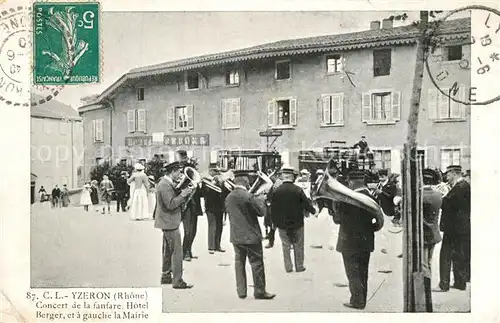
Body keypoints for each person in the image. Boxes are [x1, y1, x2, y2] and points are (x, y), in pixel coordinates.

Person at [334, 170, 381, 310]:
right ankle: (362, 299)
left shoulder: (346, 199)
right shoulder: (370, 197)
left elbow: (337, 220)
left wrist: (335, 206)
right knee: (363, 271)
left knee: (352, 271)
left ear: (351, 182)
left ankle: (356, 300)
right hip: (366, 240)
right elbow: (378, 220)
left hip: (348, 240)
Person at [225, 171, 276, 300]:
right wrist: (261, 198)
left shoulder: (229, 197)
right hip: (251, 236)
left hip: (236, 236)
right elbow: (261, 212)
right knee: (256, 263)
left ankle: (241, 291)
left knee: (239, 263)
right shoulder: (249, 196)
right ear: (245, 180)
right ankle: (259, 291)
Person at [154, 161, 194, 289]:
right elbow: (170, 204)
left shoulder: (166, 183)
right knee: (177, 252)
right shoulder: (165, 185)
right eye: (179, 172)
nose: (180, 175)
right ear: (173, 171)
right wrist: (183, 195)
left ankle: (166, 276)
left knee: (167, 250)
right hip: (169, 222)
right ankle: (178, 281)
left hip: (167, 221)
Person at [271, 167, 316, 273]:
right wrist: (313, 211)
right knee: (298, 244)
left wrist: (274, 222)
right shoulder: (298, 190)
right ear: (292, 177)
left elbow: (273, 208)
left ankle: (288, 267)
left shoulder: (277, 190)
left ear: (283, 176)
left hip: (282, 223)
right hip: (297, 222)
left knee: (285, 245)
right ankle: (299, 266)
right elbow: (306, 203)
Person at [435, 165, 471, 292]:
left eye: (448, 175)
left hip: (454, 227)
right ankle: (460, 282)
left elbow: (447, 205)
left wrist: (443, 195)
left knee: (445, 255)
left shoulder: (461, 187)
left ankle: (444, 283)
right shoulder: (463, 186)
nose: (446, 177)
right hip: (460, 227)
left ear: (454, 174)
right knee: (459, 255)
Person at [421, 168, 443, 312]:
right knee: (428, 263)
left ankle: (425, 295)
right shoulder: (438, 195)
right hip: (433, 234)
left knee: (423, 266)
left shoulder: (420, 195)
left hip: (423, 235)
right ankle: (427, 295)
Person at [176, 150, 203, 261]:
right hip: (186, 205)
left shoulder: (189, 168)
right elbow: (177, 188)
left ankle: (189, 250)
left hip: (194, 204)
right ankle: (184, 252)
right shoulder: (179, 171)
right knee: (188, 230)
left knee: (194, 230)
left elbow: (199, 191)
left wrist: (197, 185)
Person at [202, 164, 226, 254]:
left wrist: (222, 183)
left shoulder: (221, 181)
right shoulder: (206, 181)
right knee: (212, 226)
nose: (217, 173)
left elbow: (224, 192)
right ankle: (211, 247)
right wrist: (213, 183)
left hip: (220, 206)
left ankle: (217, 245)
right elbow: (204, 193)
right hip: (210, 206)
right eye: (215, 171)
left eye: (217, 171)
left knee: (219, 227)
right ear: (210, 171)